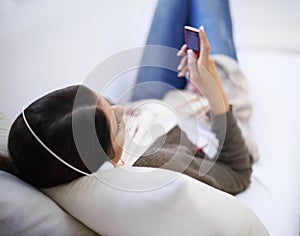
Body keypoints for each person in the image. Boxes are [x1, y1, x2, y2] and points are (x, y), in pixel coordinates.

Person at [0, 0, 253, 195]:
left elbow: (115, 113)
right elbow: (238, 172)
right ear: (104, 161)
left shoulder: (64, 144)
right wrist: (212, 87)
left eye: (105, 102)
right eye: (117, 125)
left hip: (152, 104)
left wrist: (116, 117)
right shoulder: (161, 165)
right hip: (202, 115)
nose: (119, 109)